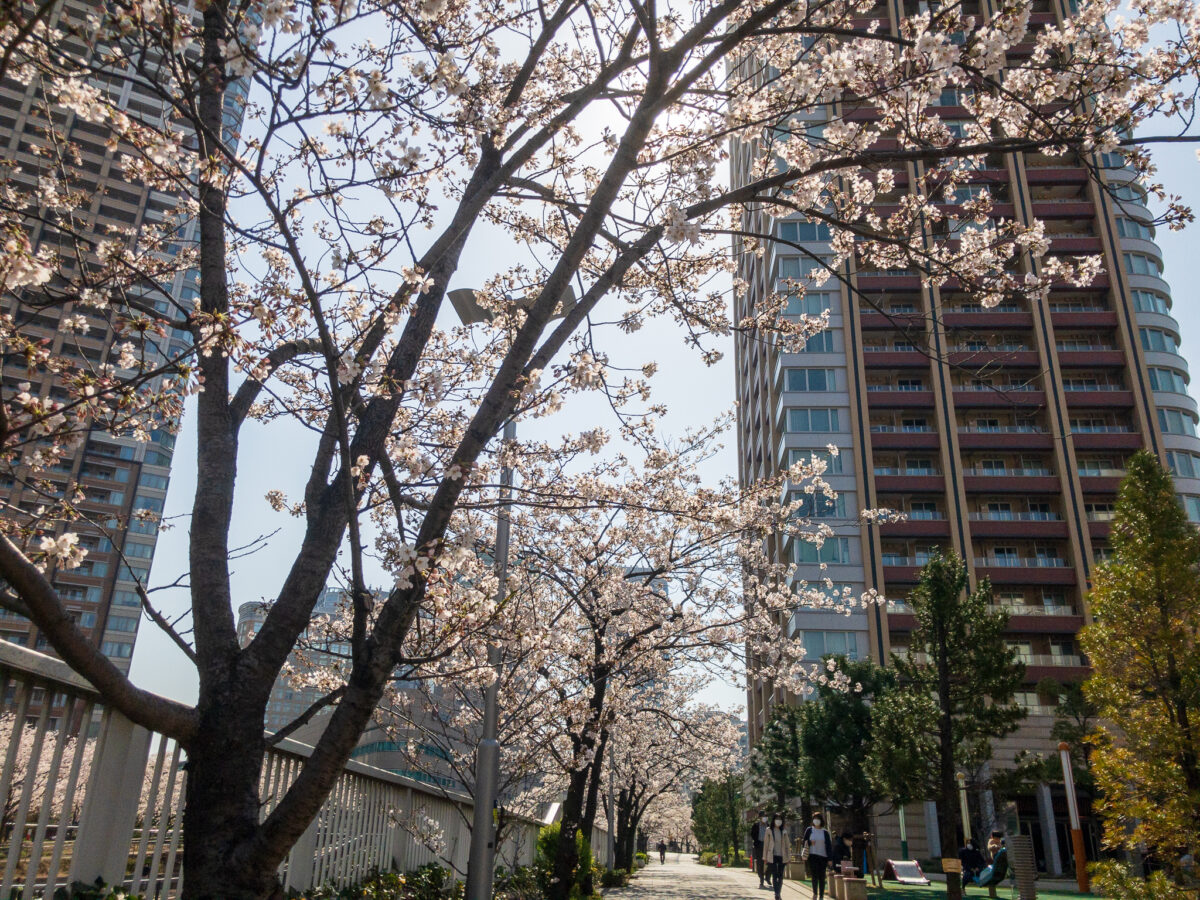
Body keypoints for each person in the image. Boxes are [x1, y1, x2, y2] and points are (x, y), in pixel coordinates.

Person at [803, 813, 834, 900]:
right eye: (814, 818)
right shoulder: (809, 830)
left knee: (822, 876)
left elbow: (828, 846)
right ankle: (815, 893)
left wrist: (830, 859)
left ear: (821, 820)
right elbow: (804, 841)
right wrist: (810, 842)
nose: (816, 820)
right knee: (814, 875)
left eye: (818, 819)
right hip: (812, 856)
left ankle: (821, 895)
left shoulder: (825, 832)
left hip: (823, 857)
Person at [762, 813, 789, 900]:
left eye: (780, 819)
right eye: (777, 819)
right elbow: (766, 844)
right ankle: (776, 893)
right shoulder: (769, 830)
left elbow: (787, 845)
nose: (778, 821)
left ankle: (778, 893)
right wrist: (765, 857)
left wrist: (788, 857)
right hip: (772, 855)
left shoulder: (784, 831)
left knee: (780, 876)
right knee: (774, 875)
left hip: (782, 855)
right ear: (773, 820)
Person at [750, 811, 769, 888]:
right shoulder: (756, 825)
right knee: (760, 863)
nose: (765, 818)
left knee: (770, 862)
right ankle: (761, 879)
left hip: (767, 846)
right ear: (760, 817)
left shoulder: (768, 826)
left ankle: (767, 875)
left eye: (765, 816)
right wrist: (756, 842)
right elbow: (752, 834)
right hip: (759, 845)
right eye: (763, 816)